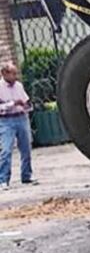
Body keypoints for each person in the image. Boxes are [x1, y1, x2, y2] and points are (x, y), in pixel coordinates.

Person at [0, 61, 34, 189]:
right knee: (6, 150)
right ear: (4, 74)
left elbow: (26, 101)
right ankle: (3, 179)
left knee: (26, 148)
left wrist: (27, 105)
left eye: (16, 73)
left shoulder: (19, 86)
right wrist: (12, 104)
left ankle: (26, 175)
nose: (15, 76)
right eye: (13, 74)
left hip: (21, 118)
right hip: (6, 121)